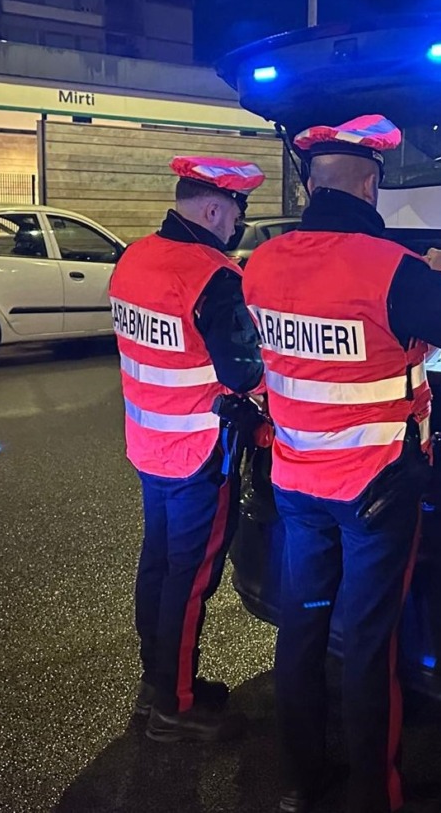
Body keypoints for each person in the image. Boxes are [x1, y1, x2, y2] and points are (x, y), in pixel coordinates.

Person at [241, 115, 441, 813]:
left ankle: (302, 778)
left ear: (310, 183)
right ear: (370, 182)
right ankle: (372, 795)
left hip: (296, 479)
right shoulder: (394, 269)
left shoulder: (262, 262)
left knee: (302, 628)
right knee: (367, 641)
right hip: (374, 489)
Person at [109, 156, 266, 743]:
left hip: (148, 443)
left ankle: (157, 678)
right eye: (235, 216)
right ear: (211, 209)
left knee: (157, 563)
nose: (235, 229)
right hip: (200, 449)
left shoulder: (135, 257)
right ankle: (174, 704)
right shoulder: (212, 275)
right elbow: (245, 371)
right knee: (191, 576)